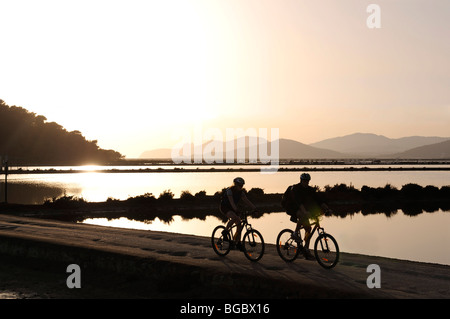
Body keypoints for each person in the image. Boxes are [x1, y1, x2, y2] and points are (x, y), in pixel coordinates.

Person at [285, 173, 332, 260]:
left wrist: (327, 209)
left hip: (302, 208)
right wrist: (305, 212)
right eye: (304, 181)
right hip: (292, 207)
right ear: (301, 180)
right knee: (302, 214)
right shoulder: (296, 188)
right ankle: (295, 233)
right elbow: (298, 202)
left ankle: (306, 249)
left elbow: (319, 200)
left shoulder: (310, 190)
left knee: (309, 229)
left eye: (307, 181)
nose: (306, 183)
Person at [219, 177, 258, 249]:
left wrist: (254, 208)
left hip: (232, 208)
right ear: (235, 184)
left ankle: (237, 242)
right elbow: (232, 202)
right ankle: (225, 231)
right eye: (239, 185)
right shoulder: (229, 191)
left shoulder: (241, 193)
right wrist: (236, 210)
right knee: (234, 217)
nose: (241, 187)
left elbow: (247, 201)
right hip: (225, 207)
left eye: (242, 185)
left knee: (239, 225)